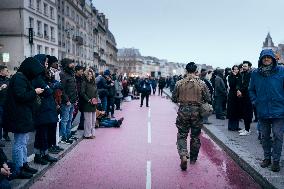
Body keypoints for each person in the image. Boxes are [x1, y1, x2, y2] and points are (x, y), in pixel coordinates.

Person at [4, 57, 44, 179]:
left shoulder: (21, 77)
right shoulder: (19, 78)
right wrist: (35, 92)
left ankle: (23, 164)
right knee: (19, 143)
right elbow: (20, 96)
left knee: (23, 142)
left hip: (23, 115)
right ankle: (18, 168)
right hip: (19, 116)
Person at [249, 49, 284, 172]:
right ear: (261, 60)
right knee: (264, 136)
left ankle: (276, 161)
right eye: (264, 58)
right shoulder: (255, 74)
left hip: (279, 110)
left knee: (278, 136)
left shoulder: (281, 71)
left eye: (269, 57)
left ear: (273, 59)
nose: (267, 59)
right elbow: (251, 90)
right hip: (262, 110)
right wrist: (255, 101)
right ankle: (267, 158)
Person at [172, 62, 211, 171]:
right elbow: (208, 98)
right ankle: (193, 158)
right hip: (197, 112)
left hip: (183, 110)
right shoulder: (202, 83)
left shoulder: (179, 83)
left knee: (182, 134)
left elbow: (174, 98)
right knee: (195, 136)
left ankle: (183, 154)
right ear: (196, 71)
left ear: (186, 70)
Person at [32, 54, 58, 165]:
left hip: (47, 107)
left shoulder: (43, 75)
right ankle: (39, 155)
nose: (47, 65)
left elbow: (48, 89)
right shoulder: (37, 76)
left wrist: (50, 85)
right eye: (46, 62)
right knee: (41, 133)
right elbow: (47, 91)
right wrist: (52, 86)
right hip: (42, 109)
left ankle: (45, 154)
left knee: (46, 133)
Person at [59, 58, 78, 144]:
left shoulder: (71, 74)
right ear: (66, 64)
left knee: (70, 119)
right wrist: (66, 100)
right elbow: (62, 89)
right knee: (65, 120)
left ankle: (68, 134)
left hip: (72, 101)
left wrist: (75, 99)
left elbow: (74, 88)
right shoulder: (63, 74)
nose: (73, 65)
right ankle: (64, 137)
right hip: (67, 102)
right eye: (71, 63)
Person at [80, 69, 98, 139]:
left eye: (91, 74)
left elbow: (96, 92)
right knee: (88, 121)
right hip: (87, 104)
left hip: (93, 104)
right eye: (89, 74)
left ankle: (92, 133)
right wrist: (88, 100)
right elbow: (82, 93)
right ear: (86, 75)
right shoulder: (84, 82)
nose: (90, 75)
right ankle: (87, 134)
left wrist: (95, 99)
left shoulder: (94, 83)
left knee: (93, 120)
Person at [237, 61, 253, 136]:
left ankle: (247, 129)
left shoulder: (250, 74)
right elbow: (239, 83)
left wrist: (240, 90)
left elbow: (247, 85)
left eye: (245, 66)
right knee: (243, 113)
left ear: (249, 67)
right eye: (243, 66)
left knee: (247, 113)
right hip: (242, 96)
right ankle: (246, 128)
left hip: (248, 96)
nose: (243, 67)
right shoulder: (242, 74)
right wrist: (238, 90)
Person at [227, 65, 241, 131]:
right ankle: (231, 126)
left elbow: (240, 85)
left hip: (238, 96)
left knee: (237, 111)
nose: (235, 70)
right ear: (232, 70)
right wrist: (235, 76)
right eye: (234, 69)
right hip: (232, 95)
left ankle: (236, 126)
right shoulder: (230, 77)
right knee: (232, 111)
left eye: (237, 69)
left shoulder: (240, 76)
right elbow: (232, 84)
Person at [0, 66, 10, 145]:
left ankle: (6, 134)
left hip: (7, 104)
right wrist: (1, 88)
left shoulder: (8, 80)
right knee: (0, 121)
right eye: (6, 70)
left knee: (6, 120)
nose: (8, 72)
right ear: (1, 71)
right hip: (0, 104)